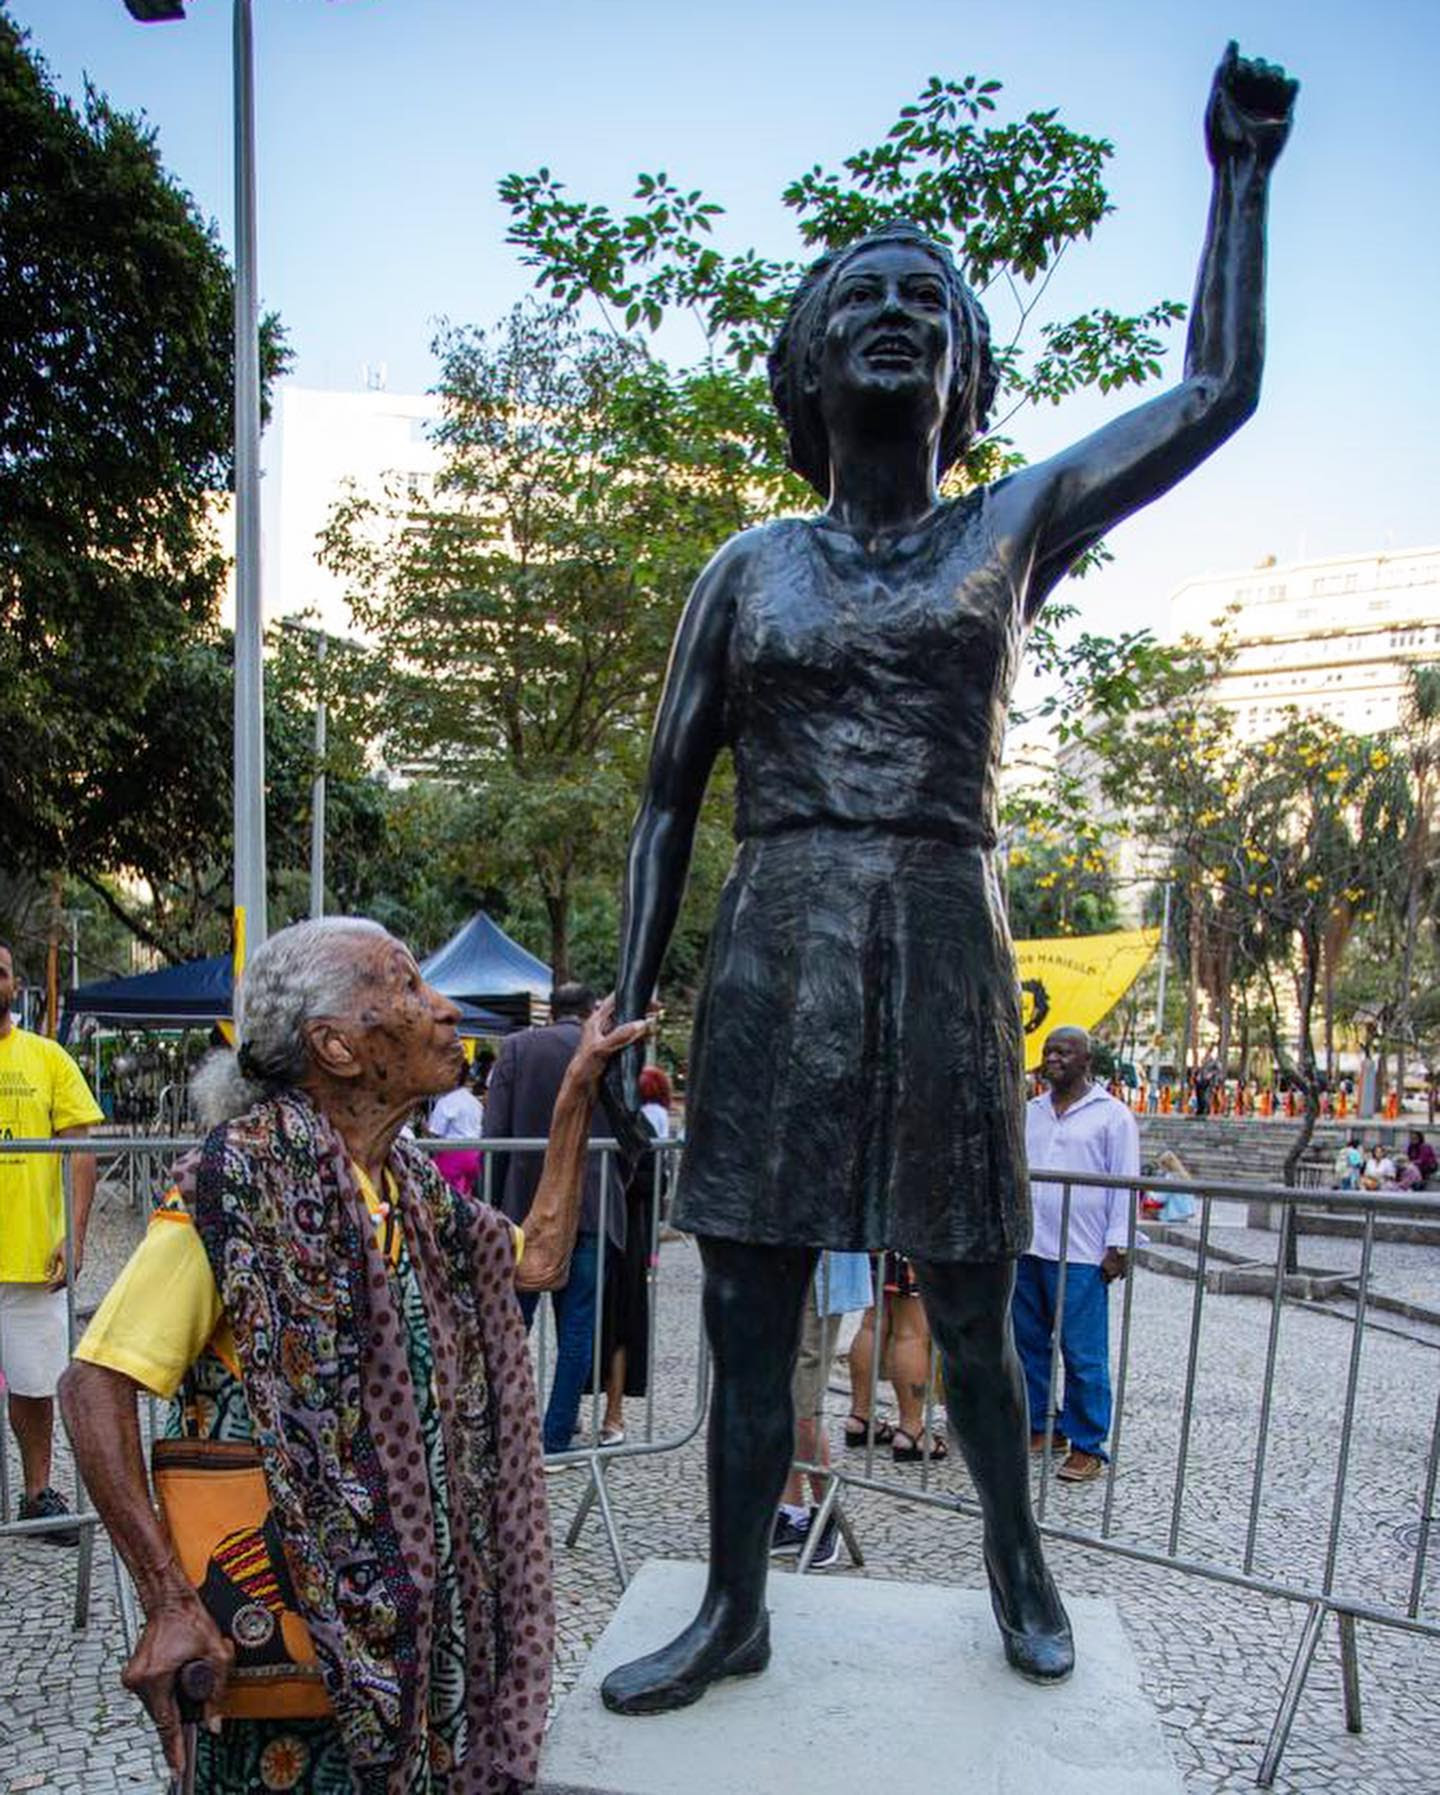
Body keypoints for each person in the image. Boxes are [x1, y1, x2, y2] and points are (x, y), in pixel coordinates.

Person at [601, 45, 1296, 1714]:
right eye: (863, 296)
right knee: (749, 1302)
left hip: (940, 922)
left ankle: (1015, 1561)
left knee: (974, 1300)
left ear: (967, 368)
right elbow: (666, 799)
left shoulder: (1012, 526)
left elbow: (1213, 391)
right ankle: (736, 1604)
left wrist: (1240, 178)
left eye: (930, 300)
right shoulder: (746, 567)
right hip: (777, 936)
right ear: (808, 360)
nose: (897, 315)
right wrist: (628, 1015)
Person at [58, 918, 645, 1791]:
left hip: (413, 1630)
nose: (444, 1009)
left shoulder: (410, 1191)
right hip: (290, 1638)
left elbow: (538, 1260)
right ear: (334, 1046)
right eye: (407, 987)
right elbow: (92, 1382)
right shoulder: (233, 1189)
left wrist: (576, 1092)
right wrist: (168, 1598)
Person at [484, 983, 624, 1456]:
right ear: (590, 1012)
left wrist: (491, 1207)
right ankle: (557, 1434)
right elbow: (628, 1131)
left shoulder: (517, 1049)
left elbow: (494, 1133)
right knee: (577, 1328)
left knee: (510, 1325)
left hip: (524, 1207)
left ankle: (501, 1428)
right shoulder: (607, 1050)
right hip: (591, 1203)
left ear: (551, 1011)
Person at [0, 938, 102, 1544]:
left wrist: (75, 1235)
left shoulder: (48, 1058)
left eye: (0, 972)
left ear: (15, 984)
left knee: (36, 1387)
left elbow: (81, 1151)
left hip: (30, 1260)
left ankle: (37, 1495)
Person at [1015, 1028, 1138, 1484]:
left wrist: (1118, 1245)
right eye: (1049, 1051)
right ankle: (1042, 1425)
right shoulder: (1031, 1112)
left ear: (1086, 1060)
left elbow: (1126, 1182)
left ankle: (1088, 1444)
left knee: (1083, 1353)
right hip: (1030, 1247)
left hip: (1082, 1252)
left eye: (1064, 1052)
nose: (1053, 1058)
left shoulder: (1113, 1116)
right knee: (1028, 1345)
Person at [772, 1250, 872, 1569]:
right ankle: (792, 1512)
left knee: (803, 1404)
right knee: (780, 1397)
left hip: (818, 1264)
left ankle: (826, 1512)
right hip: (783, 1261)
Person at [597, 1064, 672, 1447]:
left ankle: (613, 1414)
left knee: (619, 1326)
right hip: (597, 1233)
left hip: (624, 1236)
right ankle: (572, 1414)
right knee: (584, 1325)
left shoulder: (637, 1122)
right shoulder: (589, 1113)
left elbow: (654, 1179)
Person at [844, 1253, 947, 1463]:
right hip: (911, 1247)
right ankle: (911, 1430)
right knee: (912, 1333)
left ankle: (860, 1417)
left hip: (879, 1243)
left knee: (871, 1323)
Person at [428, 1051, 489, 1199]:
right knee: (466, 1194)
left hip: (452, 1155)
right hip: (475, 1155)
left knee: (448, 1196)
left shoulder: (446, 1102)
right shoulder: (474, 1101)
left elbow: (435, 1132)